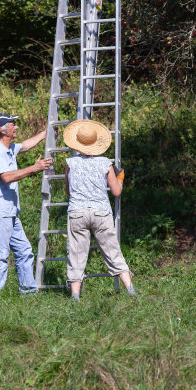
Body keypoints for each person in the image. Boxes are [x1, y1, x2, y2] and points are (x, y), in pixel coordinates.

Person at [62, 119, 136, 302]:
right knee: (112, 251)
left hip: (77, 211)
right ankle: (131, 290)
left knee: (76, 254)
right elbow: (116, 192)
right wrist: (120, 177)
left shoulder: (70, 163)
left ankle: (75, 296)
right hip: (101, 211)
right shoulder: (105, 163)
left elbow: (68, 190)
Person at [0, 113, 53, 294]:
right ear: (4, 130)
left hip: (9, 212)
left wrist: (47, 133)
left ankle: (28, 292)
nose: (16, 127)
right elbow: (6, 177)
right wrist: (35, 168)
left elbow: (26, 145)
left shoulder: (9, 148)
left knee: (24, 251)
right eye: (13, 124)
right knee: (0, 255)